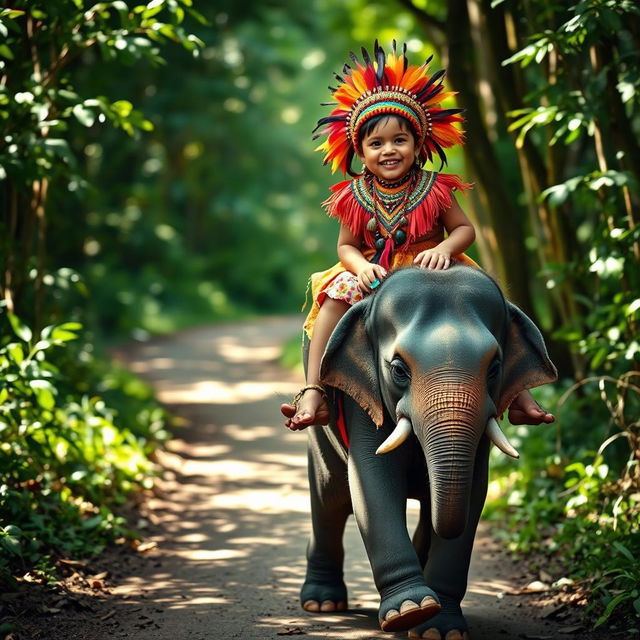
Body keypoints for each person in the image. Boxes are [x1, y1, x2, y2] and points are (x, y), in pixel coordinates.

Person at [281, 41, 553, 430]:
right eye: (376, 144)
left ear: (418, 143)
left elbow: (465, 229)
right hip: (377, 273)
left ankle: (518, 394)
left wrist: (444, 248)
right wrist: (358, 268)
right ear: (360, 151)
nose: (388, 150)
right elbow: (345, 246)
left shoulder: (435, 188)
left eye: (399, 140)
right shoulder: (354, 195)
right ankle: (314, 390)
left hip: (435, 268)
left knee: (490, 302)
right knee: (333, 296)